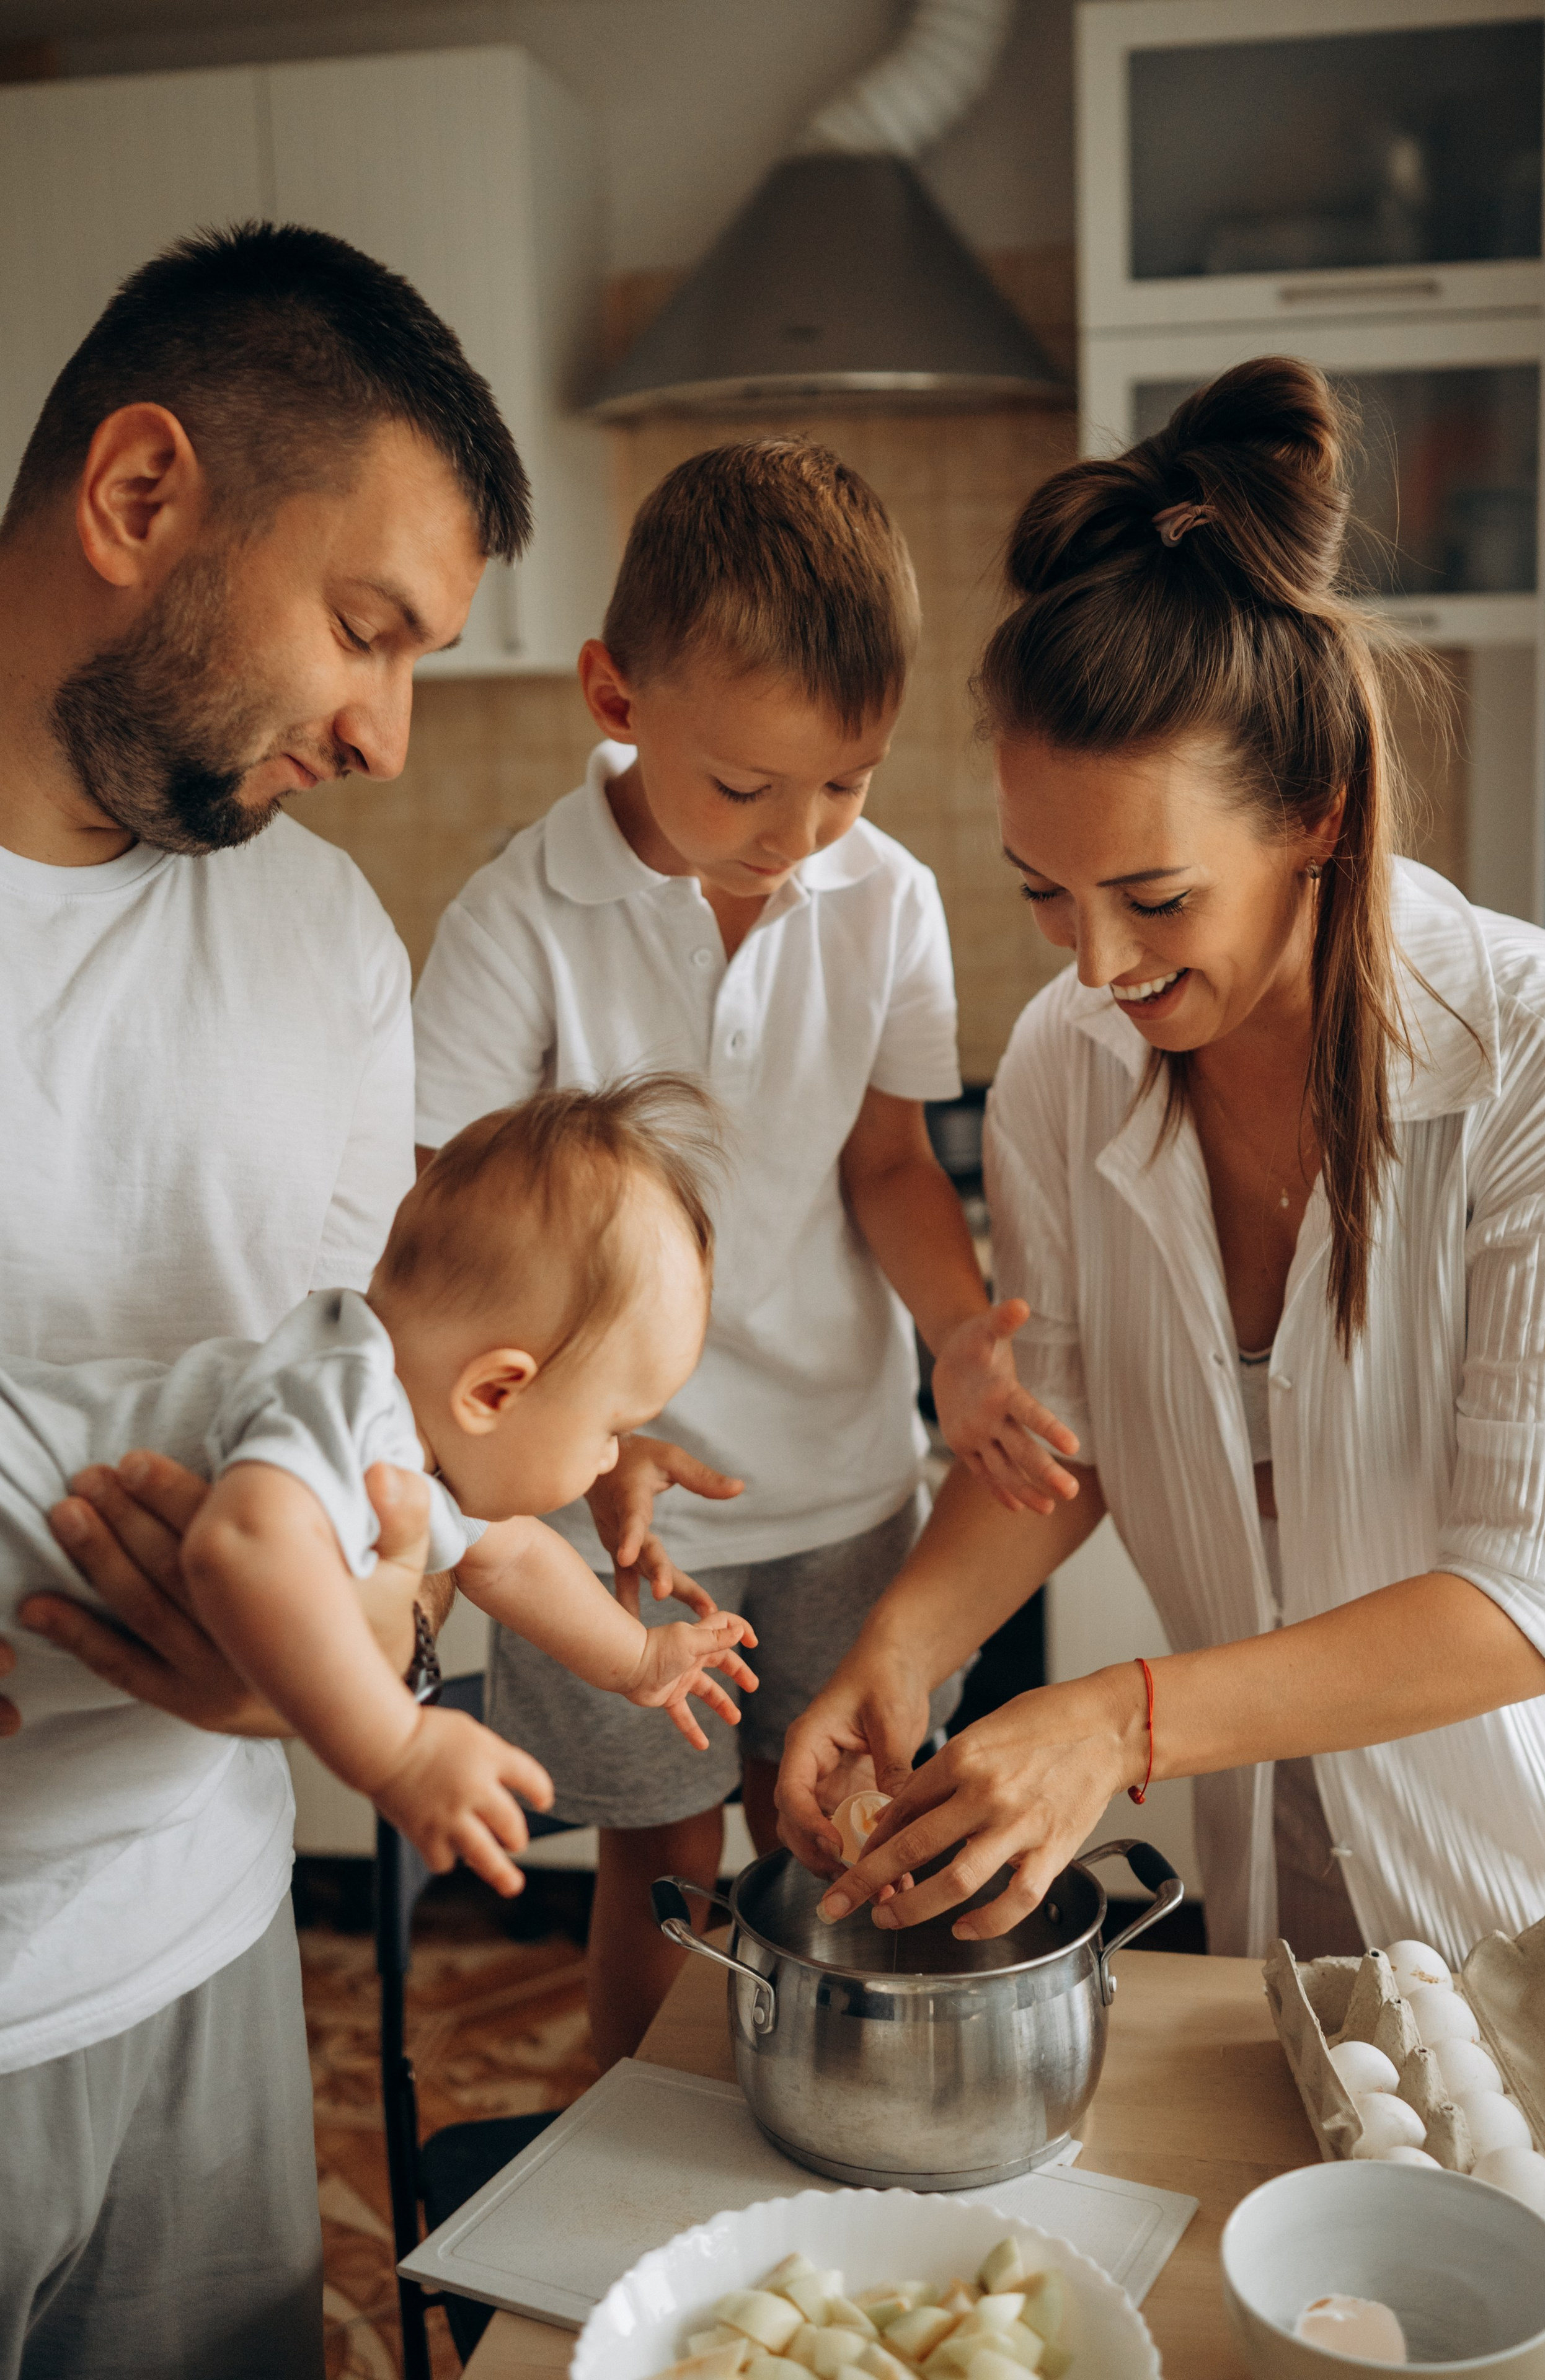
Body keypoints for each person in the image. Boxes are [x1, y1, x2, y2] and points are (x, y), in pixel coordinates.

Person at [778, 357, 1545, 1969]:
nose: (1093, 969)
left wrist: (1121, 1724)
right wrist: (903, 1642)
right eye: (1042, 896)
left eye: (1154, 900)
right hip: (1272, 1886)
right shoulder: (1074, 1081)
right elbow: (1058, 1442)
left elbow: (1533, 1596)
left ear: (1320, 820)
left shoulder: (1543, 1065)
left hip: (1541, 1897)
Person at [0, 223, 529, 2380]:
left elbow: (376, 1459)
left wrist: (344, 1663)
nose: (392, 735)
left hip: (208, 1961)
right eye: (365, 629)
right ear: (143, 500)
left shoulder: (325, 948)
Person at [411, 439, 1076, 2062]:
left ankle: (810, 2140)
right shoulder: (518, 920)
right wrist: (606, 1437)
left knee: (834, 1834)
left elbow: (892, 1165)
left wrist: (955, 1334)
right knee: (664, 1856)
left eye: (846, 782)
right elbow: (445, 1251)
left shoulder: (885, 897)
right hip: (603, 1515)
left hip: (847, 1480)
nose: (799, 833)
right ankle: (639, 2158)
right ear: (614, 693)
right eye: (745, 786)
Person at [2, 1082, 758, 1890]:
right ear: (495, 1393)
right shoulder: (349, 1400)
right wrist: (397, 1749)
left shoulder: (411, 1446)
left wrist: (638, 1659)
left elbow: (512, 1562)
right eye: (612, 1428)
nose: (613, 1460)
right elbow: (241, 1545)